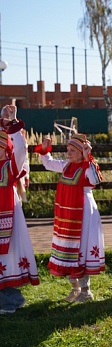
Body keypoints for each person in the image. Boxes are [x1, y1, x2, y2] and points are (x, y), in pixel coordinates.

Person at [34, 133, 104, 303]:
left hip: (83, 215)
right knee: (68, 249)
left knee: (82, 248)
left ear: (81, 152)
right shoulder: (66, 166)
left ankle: (86, 291)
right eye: (68, 150)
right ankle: (75, 288)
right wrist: (44, 150)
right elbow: (49, 164)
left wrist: (89, 157)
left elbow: (96, 179)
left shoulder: (87, 168)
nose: (69, 153)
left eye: (73, 150)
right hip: (66, 216)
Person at [0, 104, 39, 314]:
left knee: (7, 255)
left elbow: (21, 150)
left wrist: (13, 124)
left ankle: (10, 301)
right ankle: (9, 299)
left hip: (7, 216)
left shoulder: (9, 167)